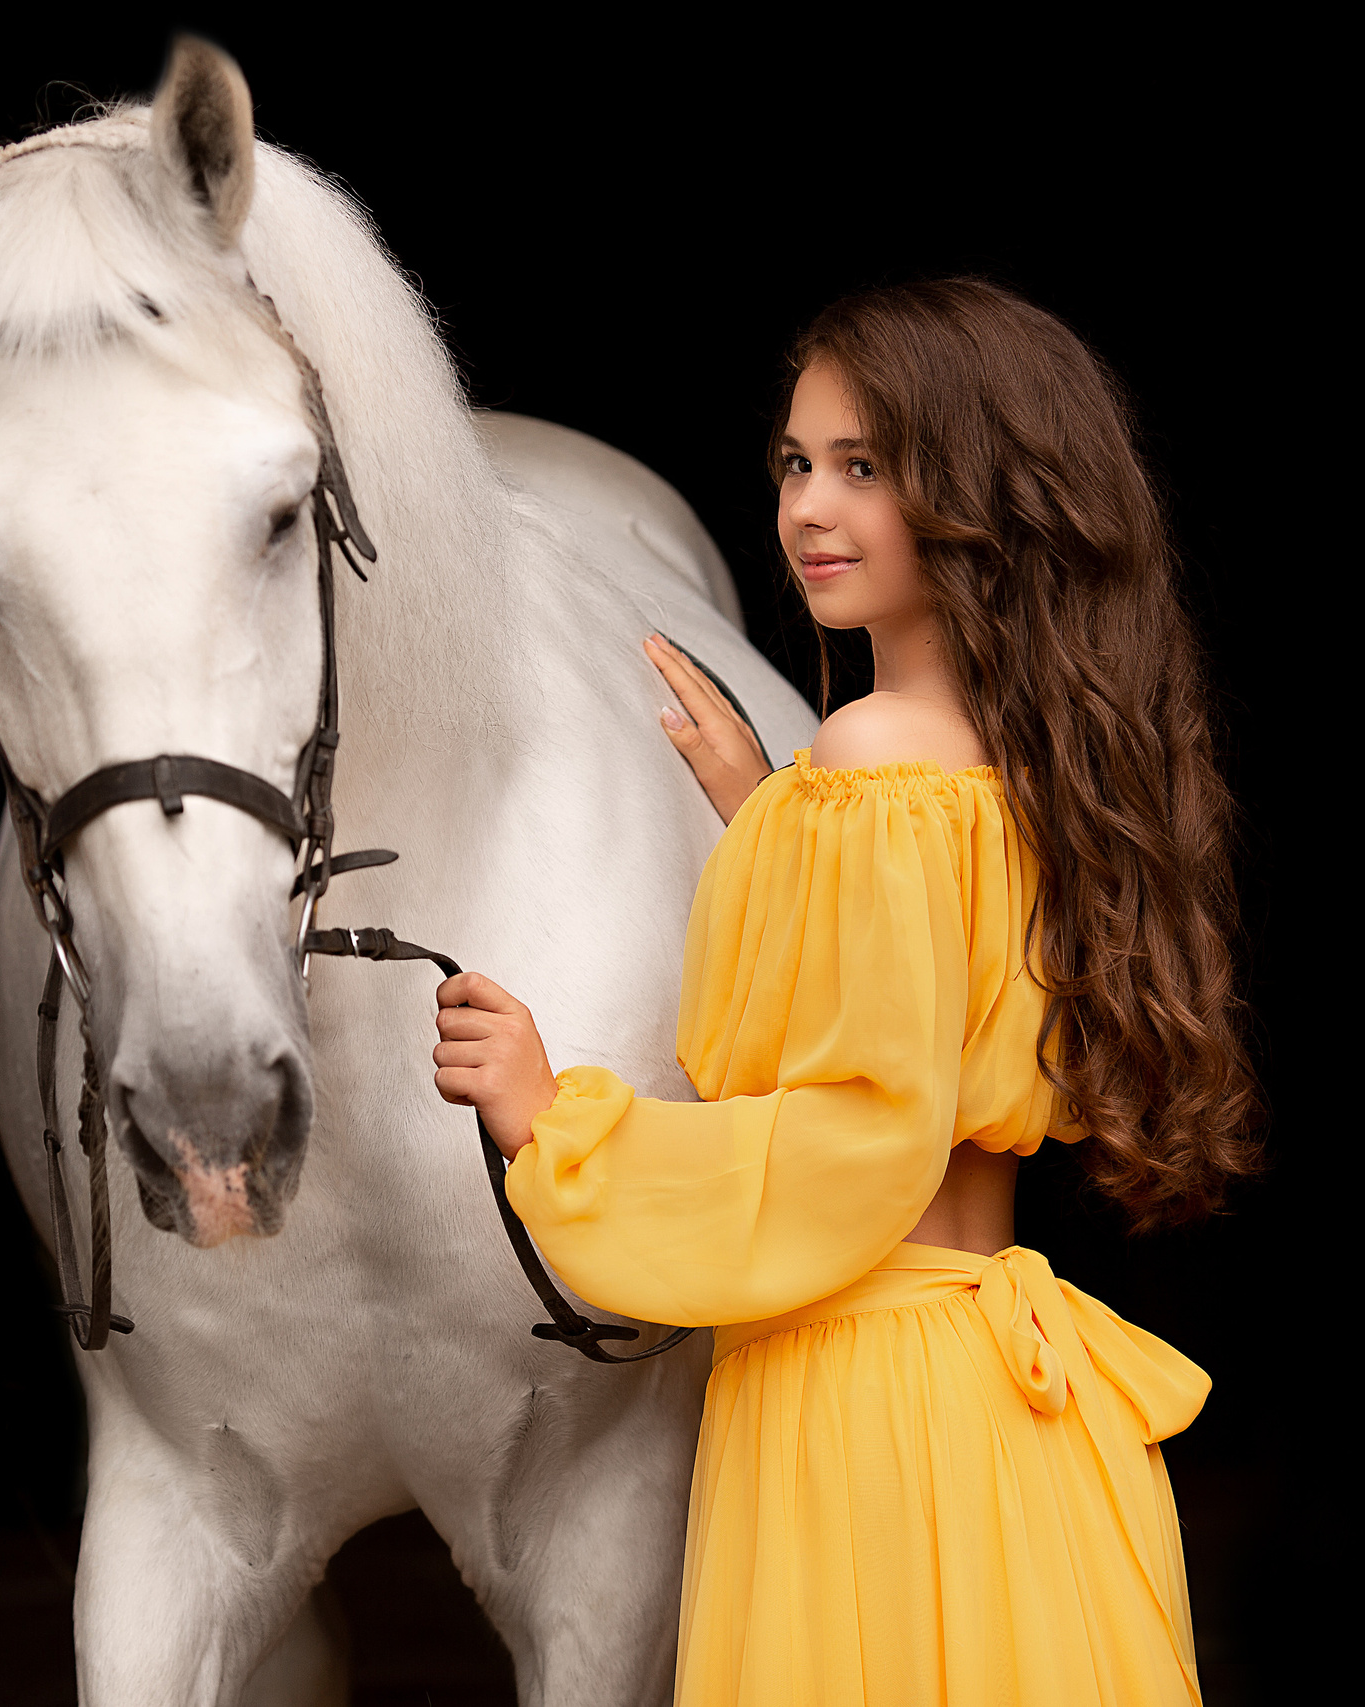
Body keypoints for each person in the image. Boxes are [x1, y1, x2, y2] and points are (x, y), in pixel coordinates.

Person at [429, 279, 1259, 1705]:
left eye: (865, 469)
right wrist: (775, 817)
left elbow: (852, 1146)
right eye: (798, 465)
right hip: (1000, 1395)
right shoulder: (1025, 770)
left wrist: (552, 1122)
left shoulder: (874, 759)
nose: (809, 508)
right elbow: (938, 1032)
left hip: (863, 1404)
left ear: (981, 498)